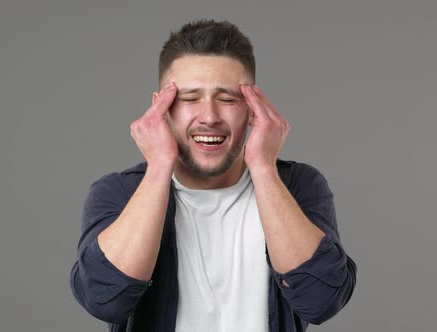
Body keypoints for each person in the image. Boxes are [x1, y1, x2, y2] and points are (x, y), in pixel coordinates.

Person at [70, 19, 356, 332]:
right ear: (161, 110)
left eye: (227, 99)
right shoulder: (118, 192)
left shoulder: (297, 185)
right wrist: (159, 165)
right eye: (189, 99)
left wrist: (263, 168)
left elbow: (321, 301)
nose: (209, 116)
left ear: (251, 109)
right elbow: (105, 300)